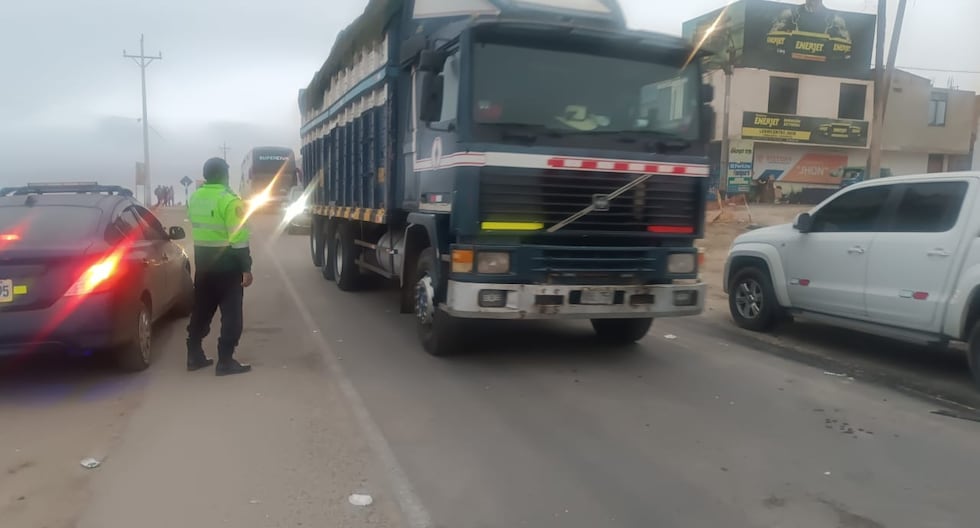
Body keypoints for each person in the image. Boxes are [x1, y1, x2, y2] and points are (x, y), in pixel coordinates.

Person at [186, 157, 254, 376]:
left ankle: (194, 355)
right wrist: (246, 267)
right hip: (228, 268)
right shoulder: (230, 201)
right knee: (232, 315)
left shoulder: (195, 198)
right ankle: (225, 360)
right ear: (224, 175)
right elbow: (239, 238)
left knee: (201, 311)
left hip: (203, 267)